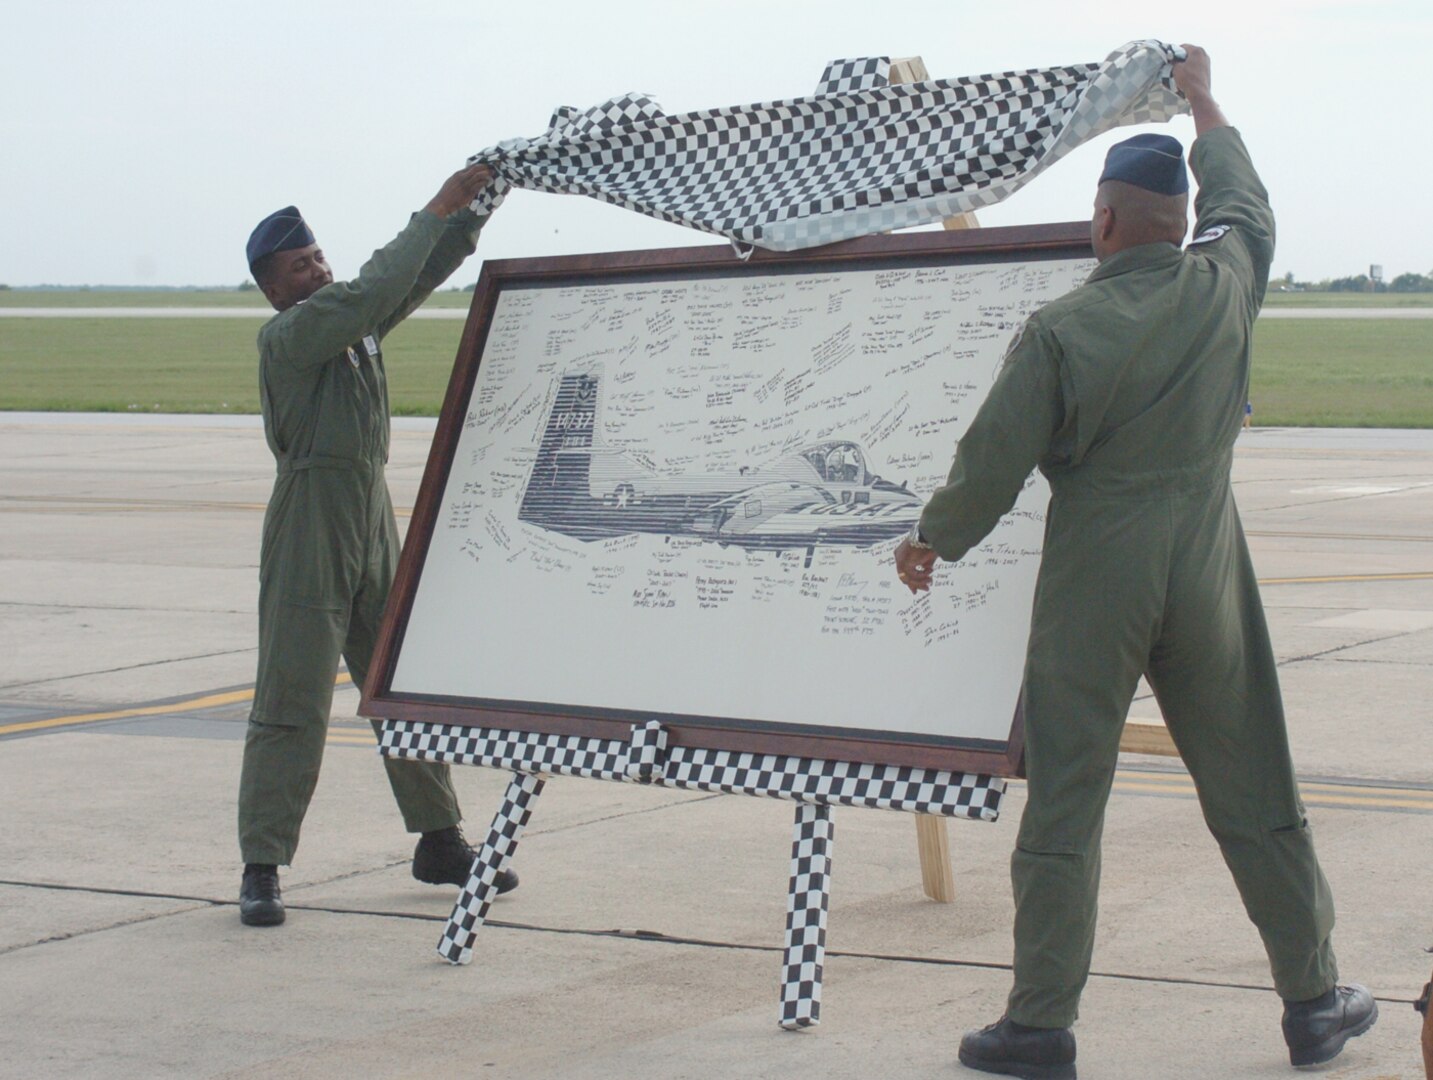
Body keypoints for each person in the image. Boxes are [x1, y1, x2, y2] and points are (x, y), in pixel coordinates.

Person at [894, 47, 1375, 1078]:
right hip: (1204, 563)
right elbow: (1245, 204)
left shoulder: (1062, 329)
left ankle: (1038, 1026)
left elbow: (989, 465)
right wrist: (1203, 98)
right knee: (1252, 783)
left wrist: (932, 539)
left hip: (1093, 576)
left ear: (1102, 223)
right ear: (1178, 222)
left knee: (1068, 795)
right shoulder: (1223, 283)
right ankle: (1311, 1001)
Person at [237, 163, 517, 928]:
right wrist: (436, 205)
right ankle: (261, 864)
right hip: (309, 522)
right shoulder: (295, 334)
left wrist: (471, 215)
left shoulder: (348, 328)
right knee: (292, 695)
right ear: (273, 288)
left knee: (397, 684)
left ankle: (437, 840)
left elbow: (407, 283)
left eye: (318, 255)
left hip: (366, 513)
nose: (319, 268)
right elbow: (372, 290)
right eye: (301, 265)